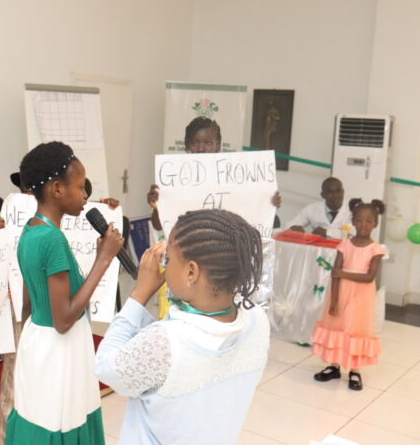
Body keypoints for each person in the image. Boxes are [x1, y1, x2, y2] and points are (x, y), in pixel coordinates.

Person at [95, 209, 270, 445]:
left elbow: (107, 367)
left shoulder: (164, 343)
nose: (164, 268)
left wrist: (139, 295)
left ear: (191, 271)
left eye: (169, 259)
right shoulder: (257, 320)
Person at [5, 141, 124, 444]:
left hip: (38, 346)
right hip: (60, 352)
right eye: (81, 187)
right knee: (62, 421)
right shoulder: (52, 240)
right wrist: (104, 259)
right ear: (58, 189)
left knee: (38, 416)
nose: (85, 195)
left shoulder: (31, 231)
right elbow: (64, 319)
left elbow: (30, 304)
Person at [147, 117, 280, 319]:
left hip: (220, 263)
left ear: (218, 146)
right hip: (187, 261)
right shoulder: (172, 178)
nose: (201, 148)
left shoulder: (236, 177)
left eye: (207, 143)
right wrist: (157, 205)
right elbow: (159, 225)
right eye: (195, 143)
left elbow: (252, 213)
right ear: (187, 146)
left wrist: (267, 201)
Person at [311, 198, 385, 391]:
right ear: (352, 221)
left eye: (369, 221)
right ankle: (334, 366)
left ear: (375, 224)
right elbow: (334, 275)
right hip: (341, 293)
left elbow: (369, 277)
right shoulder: (344, 245)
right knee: (337, 326)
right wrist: (334, 300)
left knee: (355, 330)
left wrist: (343, 274)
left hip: (361, 297)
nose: (364, 225)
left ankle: (354, 370)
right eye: (359, 220)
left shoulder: (376, 249)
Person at [286, 177, 352, 238]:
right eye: (330, 192)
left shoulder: (353, 209)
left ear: (343, 192)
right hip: (319, 249)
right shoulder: (312, 208)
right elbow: (289, 224)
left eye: (338, 191)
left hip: (345, 249)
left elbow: (354, 235)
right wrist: (293, 227)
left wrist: (327, 232)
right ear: (323, 195)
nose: (335, 195)